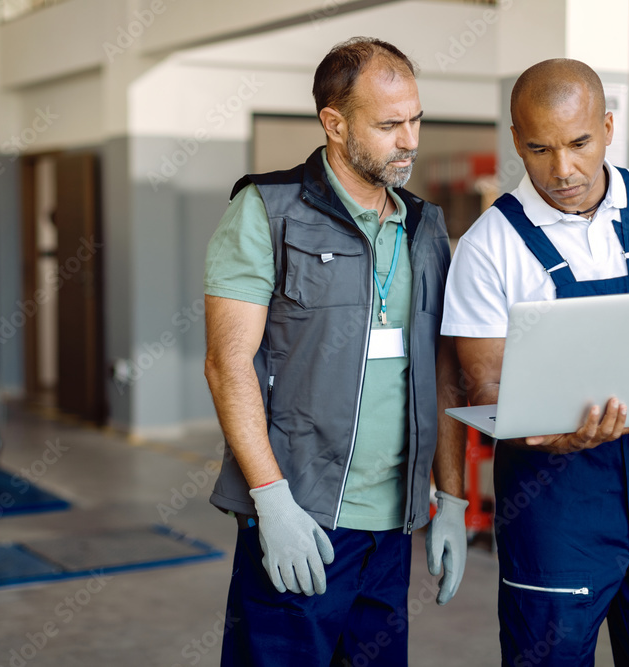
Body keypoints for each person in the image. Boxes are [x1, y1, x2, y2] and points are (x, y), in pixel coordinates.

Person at [441, 58, 629, 666]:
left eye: (580, 143)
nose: (562, 170)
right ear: (516, 143)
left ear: (608, 127)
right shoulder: (489, 246)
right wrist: (558, 436)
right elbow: (487, 385)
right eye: (539, 149)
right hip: (552, 509)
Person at [203, 37, 468, 666]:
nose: (411, 140)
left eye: (416, 120)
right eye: (389, 125)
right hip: (302, 520)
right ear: (334, 123)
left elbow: (444, 371)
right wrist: (270, 501)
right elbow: (228, 363)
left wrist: (451, 500)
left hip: (393, 529)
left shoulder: (426, 228)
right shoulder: (268, 211)